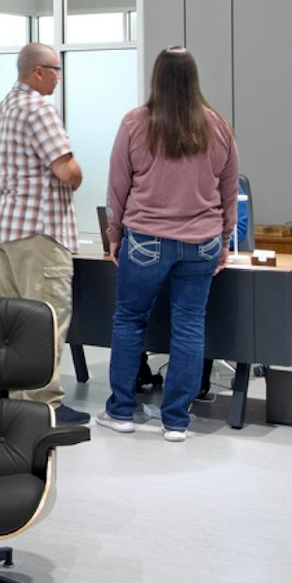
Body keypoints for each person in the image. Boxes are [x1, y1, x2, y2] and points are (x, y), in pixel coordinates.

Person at [98, 47, 240, 443]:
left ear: (156, 77)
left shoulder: (135, 123)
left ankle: (121, 412)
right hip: (202, 242)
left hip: (145, 240)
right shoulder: (218, 126)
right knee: (189, 326)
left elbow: (117, 187)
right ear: (194, 78)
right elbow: (230, 190)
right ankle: (176, 421)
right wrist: (225, 238)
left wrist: (114, 235)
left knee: (129, 321)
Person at [0, 41, 86, 423]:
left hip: (3, 229)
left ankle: (13, 397)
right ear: (38, 71)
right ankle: (44, 405)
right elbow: (66, 170)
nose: (59, 77)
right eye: (55, 70)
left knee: (13, 322)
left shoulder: (3, 108)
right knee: (47, 317)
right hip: (38, 230)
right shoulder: (39, 108)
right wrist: (78, 174)